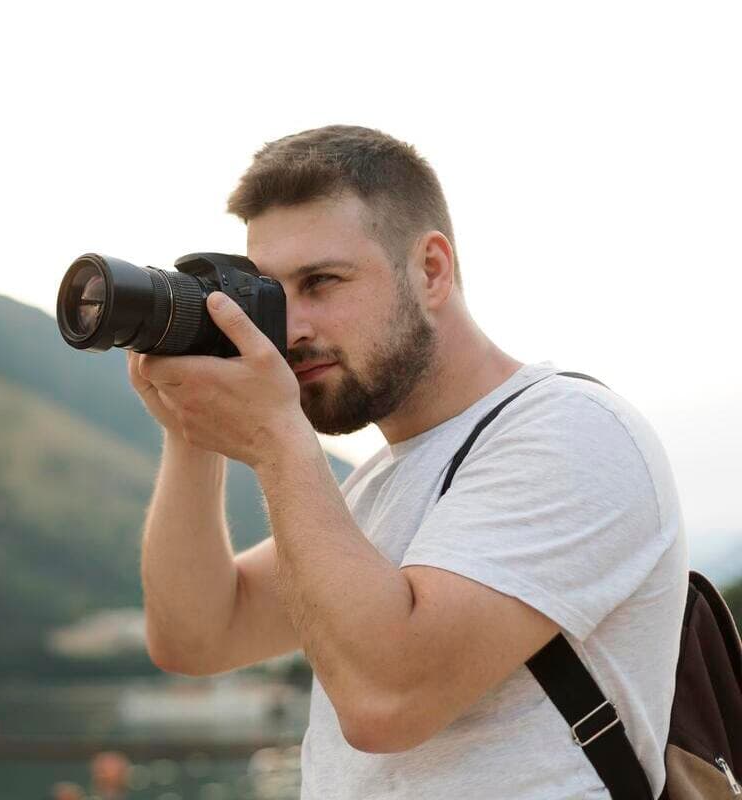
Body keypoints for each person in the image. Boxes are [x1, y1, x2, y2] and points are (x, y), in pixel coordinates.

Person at [131, 125, 687, 798]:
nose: (291, 329)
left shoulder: (573, 434)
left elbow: (385, 702)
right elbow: (197, 635)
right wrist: (189, 432)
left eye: (322, 282)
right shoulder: (376, 486)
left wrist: (277, 438)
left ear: (431, 269)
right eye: (273, 295)